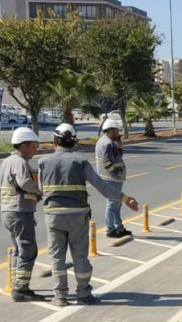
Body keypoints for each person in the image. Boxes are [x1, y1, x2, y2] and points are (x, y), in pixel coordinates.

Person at [38, 123, 139, 306]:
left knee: (57, 257)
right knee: (79, 255)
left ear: (54, 142)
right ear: (74, 143)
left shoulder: (43, 162)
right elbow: (101, 185)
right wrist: (124, 198)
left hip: (53, 216)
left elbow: (40, 190)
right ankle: (84, 293)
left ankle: (60, 296)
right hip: (77, 216)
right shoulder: (80, 161)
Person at [0, 127, 45, 302]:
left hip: (8, 212)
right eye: (33, 146)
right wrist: (39, 192)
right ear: (24, 146)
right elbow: (24, 182)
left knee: (19, 250)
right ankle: (21, 289)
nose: (35, 150)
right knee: (28, 250)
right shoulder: (20, 162)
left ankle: (18, 284)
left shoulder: (6, 162)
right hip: (20, 211)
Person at [95, 116, 131, 238]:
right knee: (112, 205)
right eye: (115, 131)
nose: (117, 133)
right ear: (109, 131)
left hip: (109, 178)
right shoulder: (107, 144)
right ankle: (110, 229)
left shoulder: (104, 141)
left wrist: (119, 147)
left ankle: (119, 227)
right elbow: (106, 162)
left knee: (116, 204)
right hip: (111, 179)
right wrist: (117, 173)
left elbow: (117, 156)